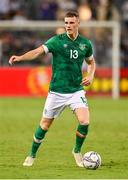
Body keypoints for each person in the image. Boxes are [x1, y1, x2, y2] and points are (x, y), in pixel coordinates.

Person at [9, 11, 96, 167]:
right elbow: (37, 52)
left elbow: (91, 62)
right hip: (57, 91)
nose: (68, 25)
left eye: (71, 22)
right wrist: (20, 57)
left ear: (78, 23)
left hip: (76, 90)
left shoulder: (85, 44)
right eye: (66, 23)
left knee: (85, 121)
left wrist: (90, 75)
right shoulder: (56, 41)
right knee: (44, 125)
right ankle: (32, 155)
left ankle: (76, 151)